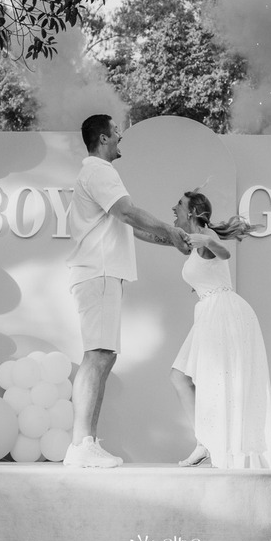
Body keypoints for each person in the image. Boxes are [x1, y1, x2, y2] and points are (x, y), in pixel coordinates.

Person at [64, 115, 192, 468]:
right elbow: (129, 213)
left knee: (104, 355)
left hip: (101, 273)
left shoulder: (95, 173)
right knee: (98, 355)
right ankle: (80, 445)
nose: (121, 136)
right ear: (104, 138)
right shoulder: (100, 170)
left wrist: (174, 240)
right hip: (98, 272)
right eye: (117, 131)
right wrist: (170, 228)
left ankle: (85, 442)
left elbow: (128, 227)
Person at [161, 190, 271, 469]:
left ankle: (213, 445)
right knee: (180, 377)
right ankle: (205, 442)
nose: (173, 207)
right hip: (209, 311)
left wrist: (206, 240)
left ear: (192, 212)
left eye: (178, 205)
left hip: (222, 312)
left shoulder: (205, 237)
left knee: (211, 380)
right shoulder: (192, 242)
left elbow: (224, 252)